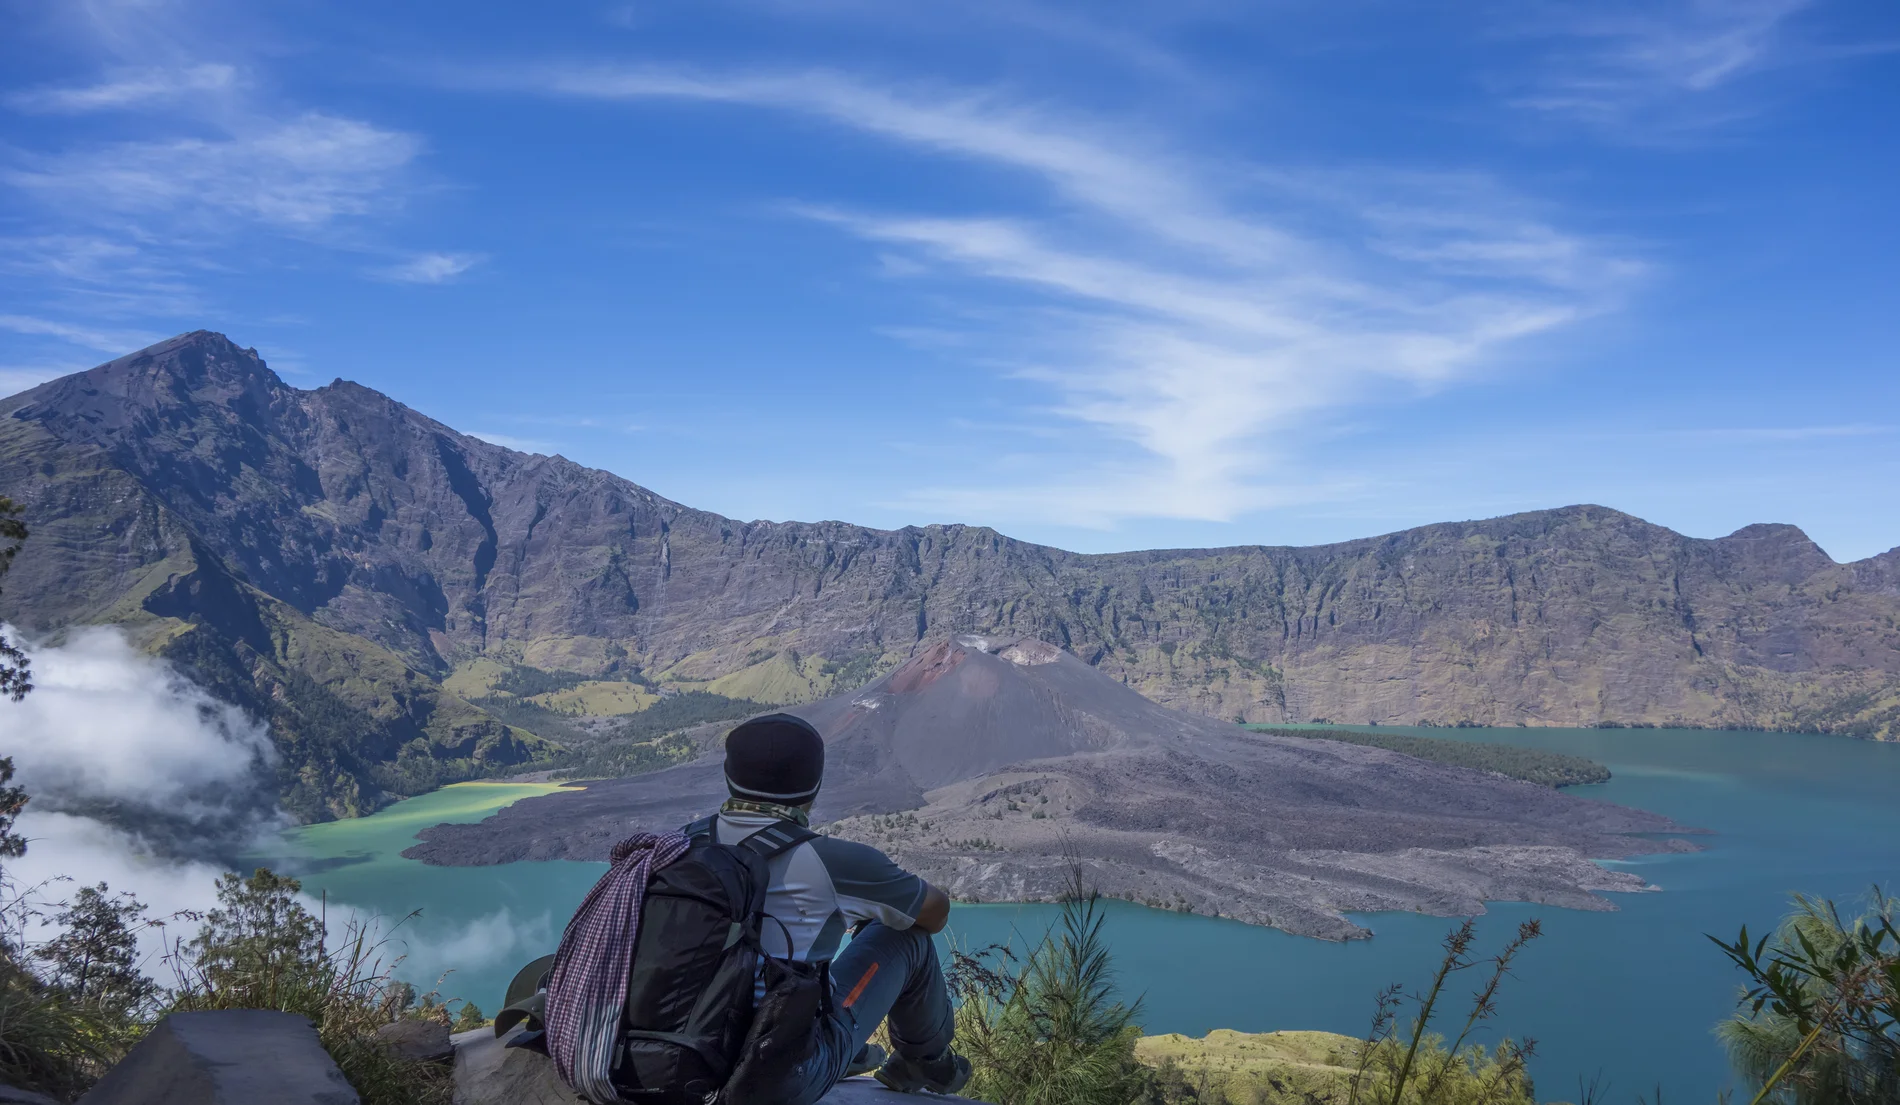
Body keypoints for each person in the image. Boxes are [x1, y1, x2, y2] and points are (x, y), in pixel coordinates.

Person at [692, 712, 969, 1103]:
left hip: (677, 1056)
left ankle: (851, 1053)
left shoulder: (675, 847)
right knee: (902, 935)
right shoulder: (831, 860)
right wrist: (870, 904)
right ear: (815, 787)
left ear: (728, 776)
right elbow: (935, 913)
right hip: (774, 1076)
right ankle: (924, 1061)